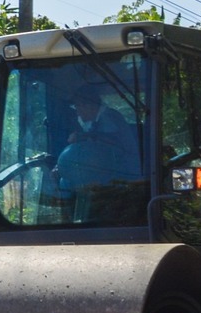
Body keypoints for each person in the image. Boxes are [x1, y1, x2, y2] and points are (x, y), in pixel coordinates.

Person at [55, 83, 146, 222]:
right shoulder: (96, 121)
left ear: (88, 105)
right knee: (64, 179)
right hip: (110, 171)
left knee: (66, 183)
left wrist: (82, 136)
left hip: (124, 173)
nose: (77, 112)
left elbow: (111, 143)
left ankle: (69, 220)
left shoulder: (109, 118)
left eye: (78, 107)